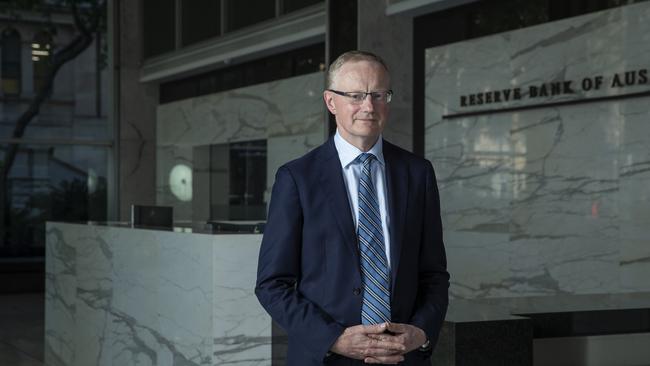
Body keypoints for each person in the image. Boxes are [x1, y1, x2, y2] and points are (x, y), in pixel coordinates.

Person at [255, 50, 449, 365]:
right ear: (331, 102)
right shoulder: (297, 178)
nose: (368, 106)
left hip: (404, 358)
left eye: (378, 95)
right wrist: (335, 339)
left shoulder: (417, 173)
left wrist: (421, 333)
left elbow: (434, 274)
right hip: (326, 358)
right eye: (356, 96)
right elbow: (271, 284)